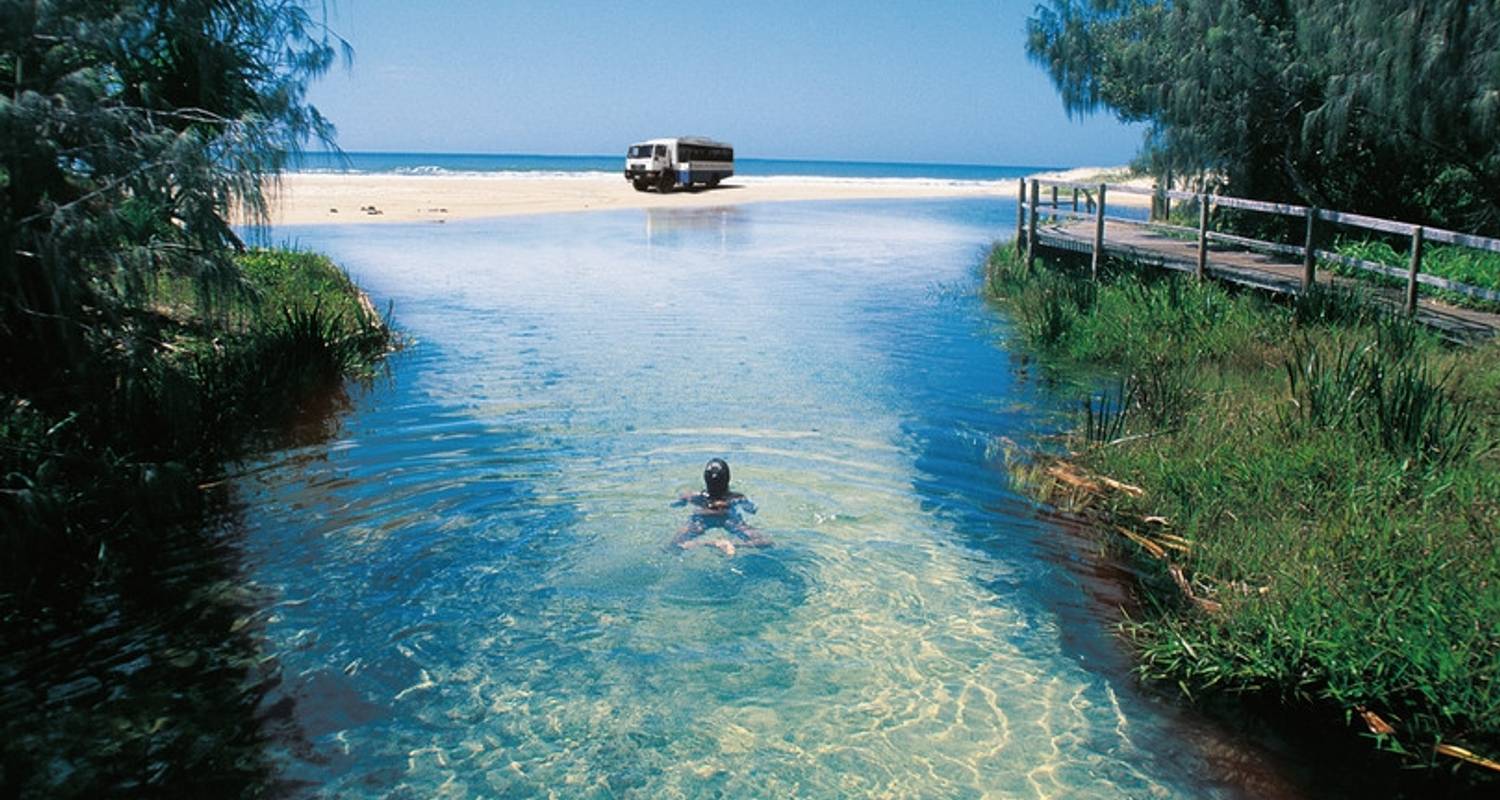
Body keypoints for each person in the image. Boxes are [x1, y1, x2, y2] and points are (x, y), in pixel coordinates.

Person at [671, 458, 771, 556]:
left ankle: (703, 544)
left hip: (701, 519)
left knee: (674, 545)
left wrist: (682, 501)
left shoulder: (691, 496)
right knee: (764, 542)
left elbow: (676, 505)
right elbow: (752, 510)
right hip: (729, 519)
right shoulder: (737, 497)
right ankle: (727, 544)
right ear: (728, 478)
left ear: (705, 478)